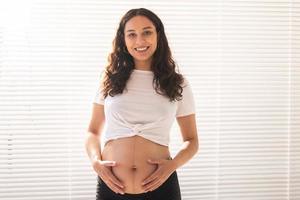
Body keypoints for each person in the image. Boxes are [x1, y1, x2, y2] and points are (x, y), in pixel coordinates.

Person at [85, 8, 199, 200]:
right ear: (124, 39)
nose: (140, 41)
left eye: (147, 32)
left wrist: (172, 165)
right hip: (111, 187)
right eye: (132, 34)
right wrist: (96, 162)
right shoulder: (109, 80)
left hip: (161, 188)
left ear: (158, 36)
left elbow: (192, 140)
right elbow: (93, 132)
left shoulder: (177, 83)